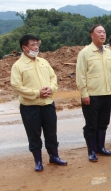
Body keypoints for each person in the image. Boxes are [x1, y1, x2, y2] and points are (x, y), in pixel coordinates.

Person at [11, 34, 67, 172]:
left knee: (51, 133)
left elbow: (53, 78)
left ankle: (54, 157)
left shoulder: (43, 62)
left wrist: (51, 88)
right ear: (24, 48)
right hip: (30, 107)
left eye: (37, 44)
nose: (36, 47)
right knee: (34, 135)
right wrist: (37, 93)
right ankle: (38, 161)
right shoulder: (18, 66)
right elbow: (16, 86)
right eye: (33, 45)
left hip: (48, 104)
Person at [76, 25, 111, 162]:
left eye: (104, 32)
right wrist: (84, 94)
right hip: (92, 95)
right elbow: (80, 75)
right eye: (99, 32)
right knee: (91, 124)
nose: (102, 34)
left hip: (106, 94)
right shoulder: (85, 53)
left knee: (103, 123)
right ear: (91, 35)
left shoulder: (108, 53)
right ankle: (91, 151)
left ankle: (101, 148)